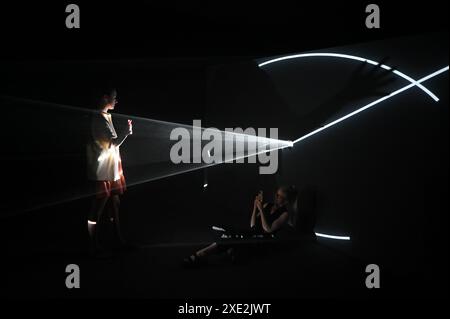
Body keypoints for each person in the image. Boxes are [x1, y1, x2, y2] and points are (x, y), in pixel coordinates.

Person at [183, 185, 298, 267]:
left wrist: (261, 210)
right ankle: (202, 253)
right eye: (277, 195)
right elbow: (253, 225)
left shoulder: (285, 214)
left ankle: (201, 254)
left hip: (262, 241)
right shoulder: (268, 204)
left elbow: (268, 230)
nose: (278, 198)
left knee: (232, 238)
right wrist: (255, 206)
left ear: (287, 200)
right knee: (233, 235)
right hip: (252, 234)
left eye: (281, 197)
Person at [86, 89, 132, 256]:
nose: (116, 101)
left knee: (115, 204)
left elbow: (112, 144)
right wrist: (126, 133)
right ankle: (93, 245)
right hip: (104, 170)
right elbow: (112, 144)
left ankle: (117, 240)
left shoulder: (105, 116)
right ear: (104, 97)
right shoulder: (98, 118)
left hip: (112, 167)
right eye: (114, 97)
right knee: (98, 207)